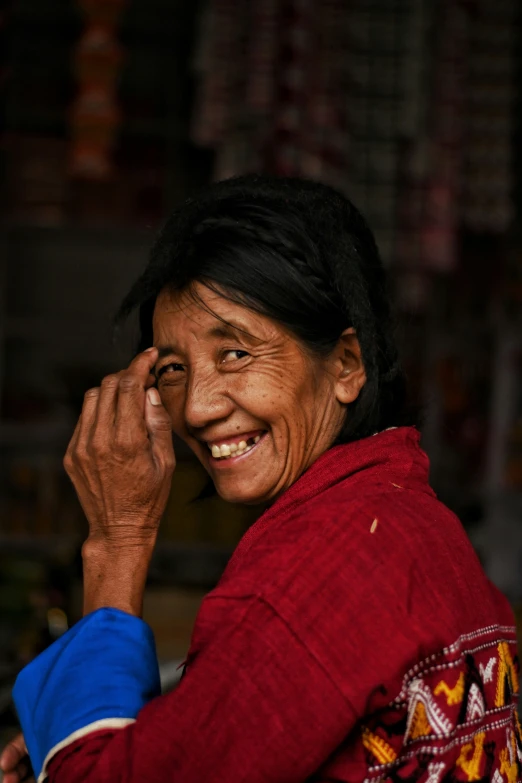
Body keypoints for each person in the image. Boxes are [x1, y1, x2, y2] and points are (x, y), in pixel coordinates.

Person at [1, 175, 520, 783]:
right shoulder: (414, 523)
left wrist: (118, 539)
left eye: (236, 354)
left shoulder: (325, 569)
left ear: (346, 366)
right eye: (172, 369)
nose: (195, 408)